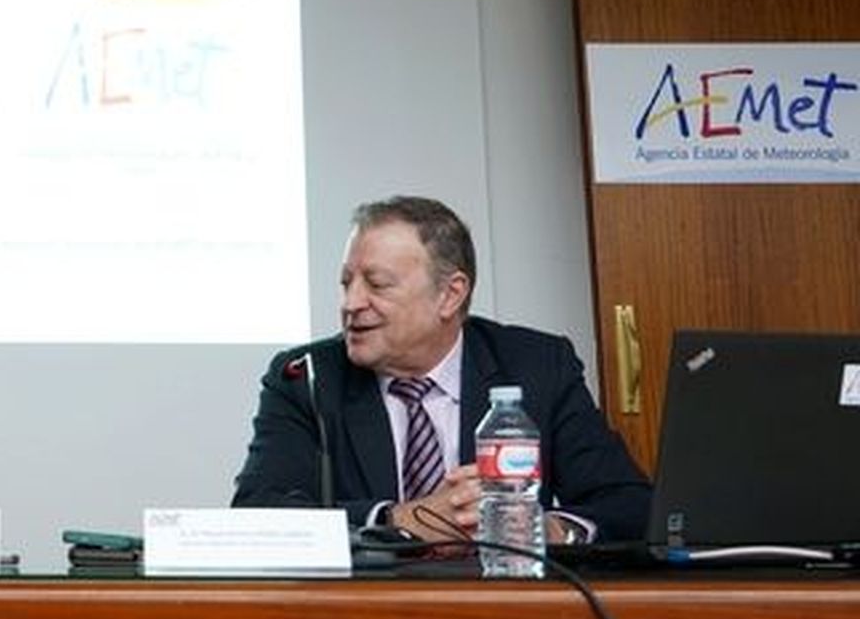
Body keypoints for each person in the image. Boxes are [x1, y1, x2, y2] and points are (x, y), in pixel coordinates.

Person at [232, 196, 650, 543]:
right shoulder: (306, 377)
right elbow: (259, 512)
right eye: (347, 283)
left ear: (450, 295)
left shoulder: (536, 366)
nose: (351, 303)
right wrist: (398, 520)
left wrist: (556, 531)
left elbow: (630, 504)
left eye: (376, 284)